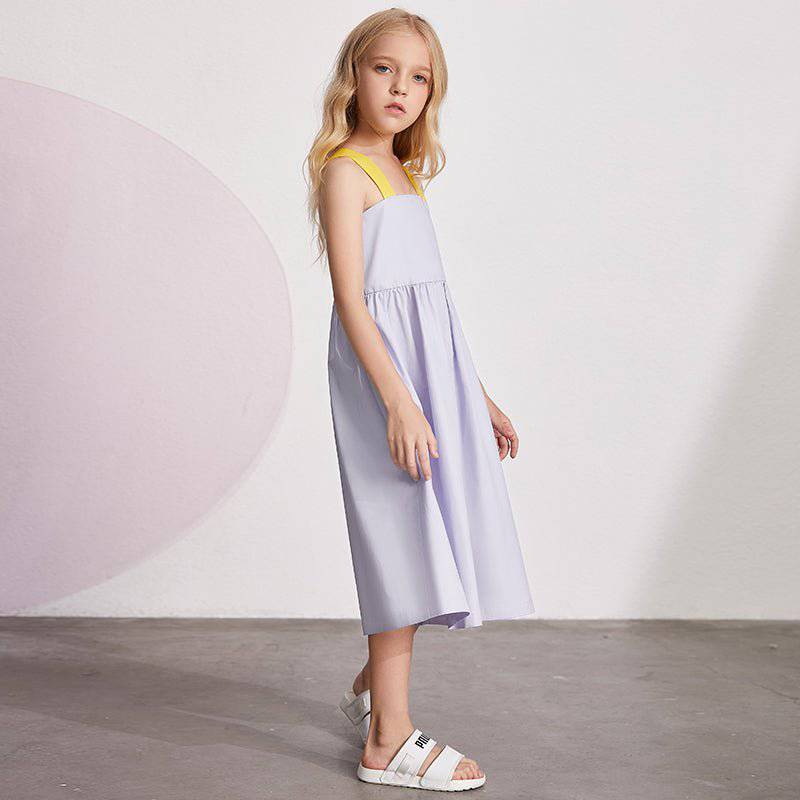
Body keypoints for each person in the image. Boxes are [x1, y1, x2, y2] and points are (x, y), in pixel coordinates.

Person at [304, 8, 535, 792]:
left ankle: (376, 686)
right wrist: (399, 403)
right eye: (384, 69)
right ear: (354, 75)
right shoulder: (347, 171)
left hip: (427, 380)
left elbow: (430, 308)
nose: (400, 88)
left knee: (429, 534)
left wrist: (477, 396)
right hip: (382, 383)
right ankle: (387, 740)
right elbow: (354, 301)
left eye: (419, 77)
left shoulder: (406, 174)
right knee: (401, 535)